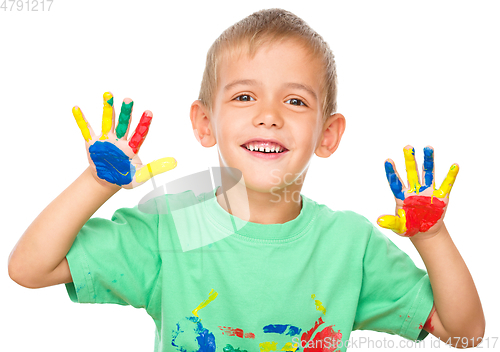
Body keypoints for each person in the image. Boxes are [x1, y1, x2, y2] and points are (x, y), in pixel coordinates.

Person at [8, 8, 484, 352]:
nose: (269, 117)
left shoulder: (348, 245)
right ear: (204, 123)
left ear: (328, 134)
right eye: (243, 97)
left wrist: (432, 235)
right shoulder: (170, 232)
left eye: (295, 101)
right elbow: (29, 269)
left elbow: (464, 333)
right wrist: (97, 183)